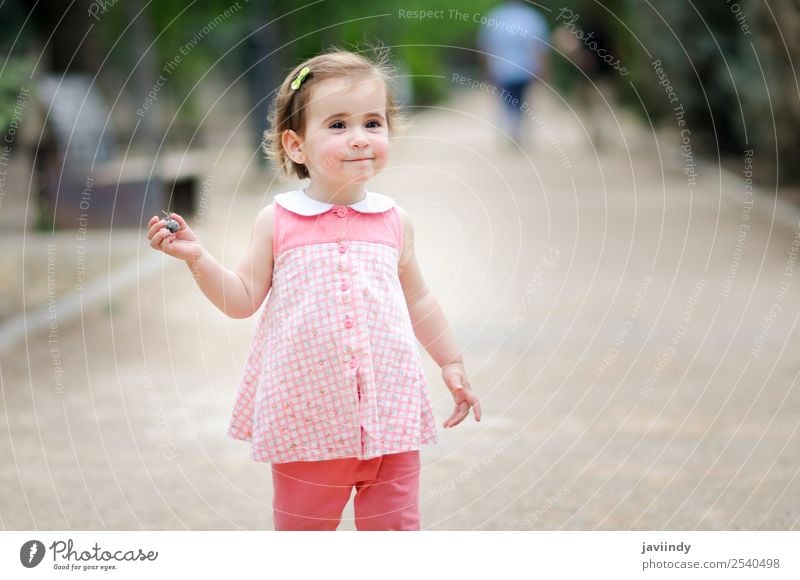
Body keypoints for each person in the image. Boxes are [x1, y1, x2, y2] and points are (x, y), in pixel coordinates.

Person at [146, 48, 481, 531]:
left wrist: (450, 362)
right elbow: (242, 299)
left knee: (396, 534)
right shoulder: (278, 222)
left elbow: (419, 299)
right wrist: (198, 259)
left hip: (390, 416)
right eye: (338, 125)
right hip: (308, 422)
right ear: (296, 145)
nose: (360, 138)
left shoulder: (394, 221)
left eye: (373, 122)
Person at [477, 0, 551, 146]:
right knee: (522, 100)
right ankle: (517, 128)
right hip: (525, 69)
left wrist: (487, 69)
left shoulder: (495, 16)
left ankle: (513, 128)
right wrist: (543, 69)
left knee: (507, 101)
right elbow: (539, 47)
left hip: (502, 69)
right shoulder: (532, 17)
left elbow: (486, 47)